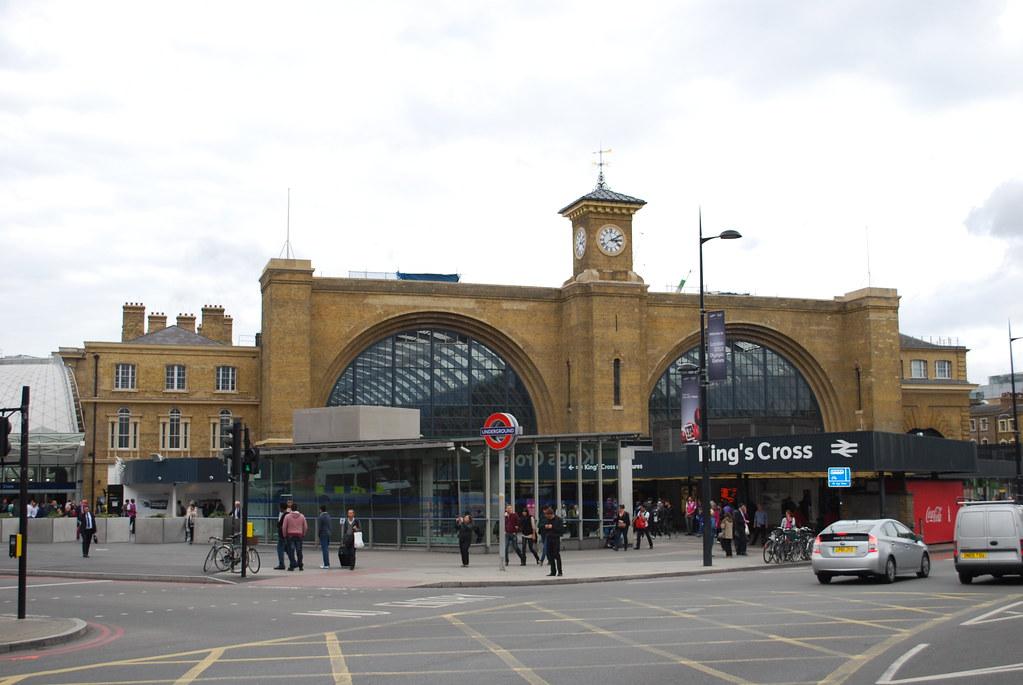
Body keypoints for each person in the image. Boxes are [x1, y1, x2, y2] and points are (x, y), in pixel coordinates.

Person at [283, 502, 307, 571]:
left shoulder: (287, 516)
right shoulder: (302, 516)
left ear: (291, 509)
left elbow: (284, 527)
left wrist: (284, 535)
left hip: (290, 535)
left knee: (291, 551)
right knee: (299, 551)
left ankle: (292, 565)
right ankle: (300, 565)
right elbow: (305, 526)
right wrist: (303, 534)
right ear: (297, 508)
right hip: (299, 535)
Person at [541, 506, 564, 577]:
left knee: (556, 554)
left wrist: (552, 527)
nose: (547, 517)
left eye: (548, 515)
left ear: (551, 514)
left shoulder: (558, 520)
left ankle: (560, 571)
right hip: (548, 538)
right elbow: (541, 526)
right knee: (550, 555)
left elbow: (561, 530)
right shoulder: (547, 520)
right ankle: (553, 571)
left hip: (556, 539)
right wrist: (545, 527)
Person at [273, 501, 289, 570]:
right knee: (287, 549)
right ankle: (293, 562)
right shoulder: (288, 514)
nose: (279, 509)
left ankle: (281, 564)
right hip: (287, 535)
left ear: (282, 508)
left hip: (282, 535)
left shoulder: (284, 515)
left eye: (280, 507)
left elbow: (279, 525)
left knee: (280, 549)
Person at [317, 504, 332, 569]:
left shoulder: (321, 517)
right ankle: (326, 563)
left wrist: (318, 534)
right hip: (328, 533)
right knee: (326, 549)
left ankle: (326, 564)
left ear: (321, 510)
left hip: (323, 534)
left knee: (324, 549)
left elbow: (320, 527)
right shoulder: (328, 516)